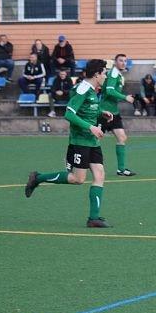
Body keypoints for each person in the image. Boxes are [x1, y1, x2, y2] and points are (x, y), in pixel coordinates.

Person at [24, 59, 114, 228]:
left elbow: (87, 109)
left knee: (100, 174)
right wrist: (91, 127)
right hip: (80, 141)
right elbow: (69, 114)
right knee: (78, 179)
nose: (106, 76)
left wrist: (102, 113)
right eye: (104, 73)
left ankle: (94, 218)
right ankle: (38, 178)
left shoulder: (91, 90)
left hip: (92, 141)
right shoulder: (82, 89)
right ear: (97, 74)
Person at [101, 53, 137, 176]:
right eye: (121, 60)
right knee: (91, 139)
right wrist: (125, 97)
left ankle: (121, 169)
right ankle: (72, 160)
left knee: (122, 138)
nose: (123, 63)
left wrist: (123, 97)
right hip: (104, 112)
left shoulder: (119, 75)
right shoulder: (113, 73)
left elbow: (113, 92)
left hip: (114, 112)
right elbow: (109, 90)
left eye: (125, 61)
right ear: (115, 62)